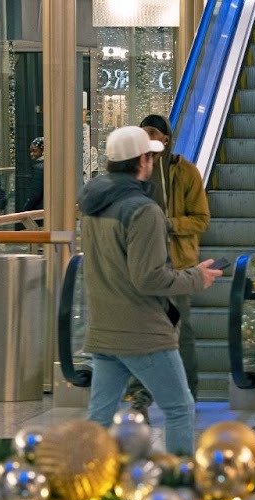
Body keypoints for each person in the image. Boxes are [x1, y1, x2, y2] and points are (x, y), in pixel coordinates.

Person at [78, 126, 219, 455]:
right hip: (142, 332)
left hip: (103, 328)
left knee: (98, 417)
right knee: (179, 408)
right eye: (152, 156)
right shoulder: (143, 210)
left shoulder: (92, 206)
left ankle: (82, 478)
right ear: (143, 159)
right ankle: (179, 482)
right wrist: (196, 277)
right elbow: (149, 278)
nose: (154, 163)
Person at [125, 113, 210, 406]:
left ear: (166, 138)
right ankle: (141, 396)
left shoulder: (184, 172)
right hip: (141, 262)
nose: (147, 139)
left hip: (176, 265)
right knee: (139, 331)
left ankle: (187, 394)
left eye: (152, 133)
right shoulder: (133, 171)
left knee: (180, 330)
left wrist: (168, 224)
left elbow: (200, 219)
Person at [21, 137, 45, 214]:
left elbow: (35, 193)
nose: (32, 154)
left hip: (39, 211)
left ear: (43, 150)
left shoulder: (39, 168)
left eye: (34, 151)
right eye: (31, 151)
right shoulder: (51, 165)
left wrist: (26, 209)